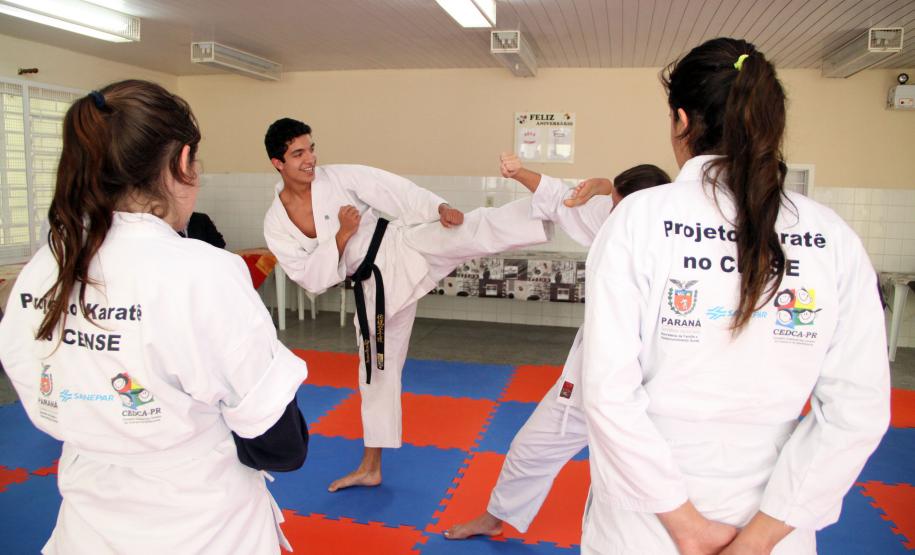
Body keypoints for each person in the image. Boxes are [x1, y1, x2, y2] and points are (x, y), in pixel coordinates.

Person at [581, 38, 890, 554]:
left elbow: (607, 392)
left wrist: (688, 527)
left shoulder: (639, 218)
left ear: (682, 121)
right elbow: (858, 410)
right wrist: (758, 540)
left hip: (649, 523)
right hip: (772, 521)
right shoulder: (830, 235)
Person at [0, 80, 309, 554]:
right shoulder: (203, 272)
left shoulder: (46, 267)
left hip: (87, 525)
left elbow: (31, 378)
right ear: (182, 162)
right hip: (202, 526)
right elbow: (280, 444)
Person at [262, 118, 552, 492]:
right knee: (375, 376)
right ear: (278, 163)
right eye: (298, 153)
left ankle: (551, 209)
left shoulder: (340, 177)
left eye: (311, 148)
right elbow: (309, 277)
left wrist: (440, 206)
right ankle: (371, 467)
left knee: (466, 228)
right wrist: (342, 235)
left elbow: (395, 190)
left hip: (401, 247)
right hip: (373, 290)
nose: (310, 159)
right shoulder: (276, 222)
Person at [444, 155, 671, 540]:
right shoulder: (613, 223)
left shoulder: (673, 250)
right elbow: (559, 198)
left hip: (651, 384)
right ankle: (495, 516)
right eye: (613, 205)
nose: (612, 213)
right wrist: (520, 173)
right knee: (530, 447)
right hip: (589, 375)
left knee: (649, 471)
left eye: (619, 206)